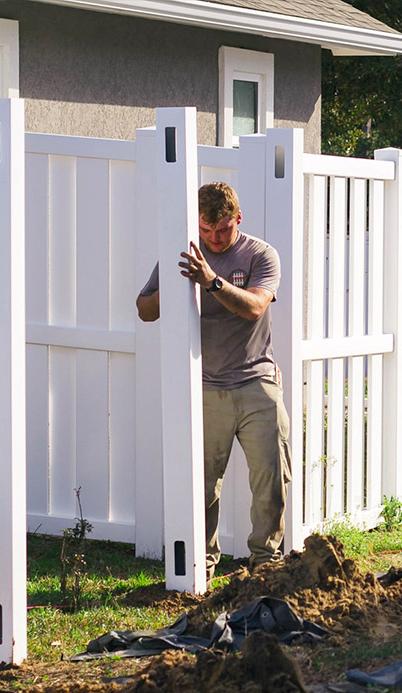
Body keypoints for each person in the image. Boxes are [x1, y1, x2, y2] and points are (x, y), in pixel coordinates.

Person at [136, 181, 292, 585]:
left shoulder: (260, 254)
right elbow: (143, 310)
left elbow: (255, 307)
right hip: (205, 386)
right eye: (206, 231)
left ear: (237, 218)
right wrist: (175, 288)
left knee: (269, 480)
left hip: (256, 380)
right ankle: (200, 569)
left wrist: (212, 281)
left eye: (222, 229)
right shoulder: (186, 254)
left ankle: (265, 567)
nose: (214, 238)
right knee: (202, 485)